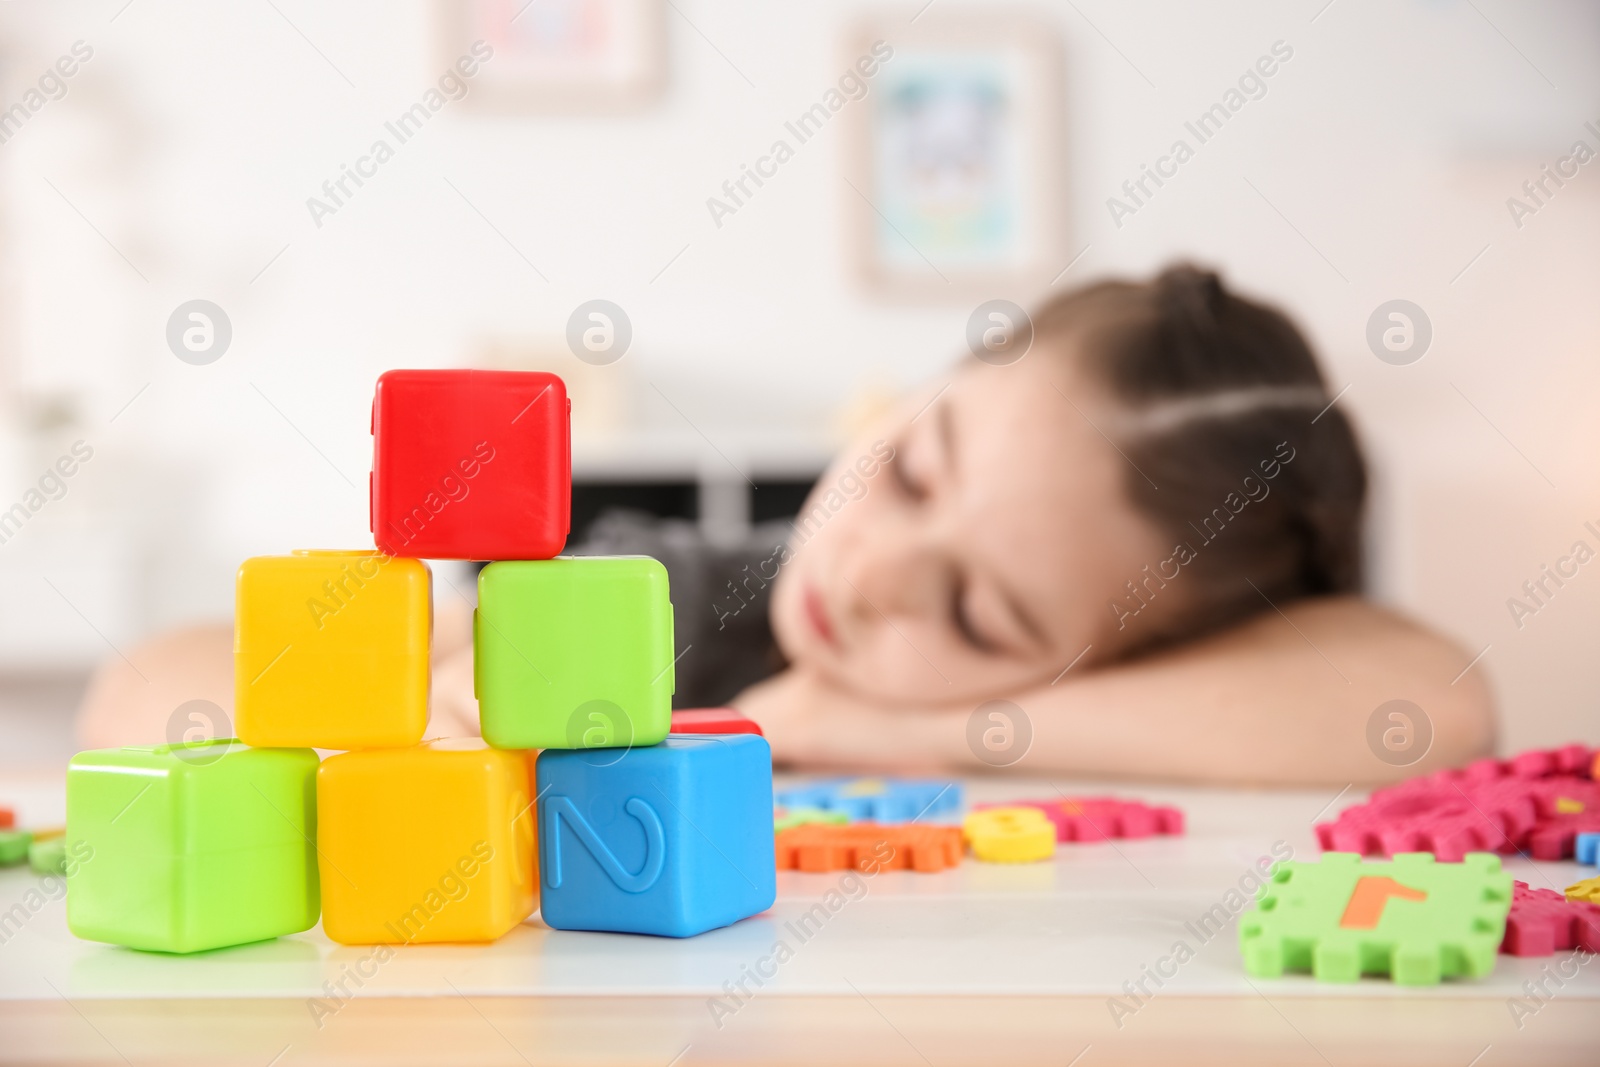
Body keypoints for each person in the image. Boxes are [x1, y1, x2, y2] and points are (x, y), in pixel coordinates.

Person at [77, 266, 1491, 786]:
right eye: (917, 469)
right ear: (920, 390)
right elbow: (143, 696)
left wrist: (899, 732)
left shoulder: (1140, 697)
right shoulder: (690, 604)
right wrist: (405, 713)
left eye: (985, 621)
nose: (871, 579)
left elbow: (1431, 695)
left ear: (1114, 660)